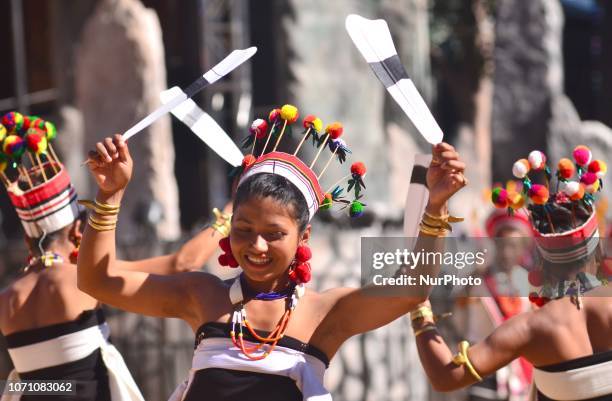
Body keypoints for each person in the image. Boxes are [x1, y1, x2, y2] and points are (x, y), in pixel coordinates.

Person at [77, 107, 467, 401]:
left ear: (303, 236)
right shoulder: (202, 295)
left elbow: (412, 289)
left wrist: (435, 208)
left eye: (274, 234)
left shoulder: (324, 315)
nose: (257, 246)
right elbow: (97, 281)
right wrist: (110, 194)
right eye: (243, 231)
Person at [0, 114, 228, 401]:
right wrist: (231, 213)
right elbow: (182, 262)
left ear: (27, 239)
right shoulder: (82, 279)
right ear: (77, 231)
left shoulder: (6, 299)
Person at [410, 148, 612, 401]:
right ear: (597, 250)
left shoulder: (530, 327)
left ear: (538, 258)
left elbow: (444, 376)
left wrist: (417, 303)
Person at [455, 208, 534, 401]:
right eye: (503, 245)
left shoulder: (530, 284)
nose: (507, 252)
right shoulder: (475, 281)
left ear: (523, 248)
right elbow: (458, 320)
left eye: (514, 246)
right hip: (482, 372)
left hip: (521, 374)